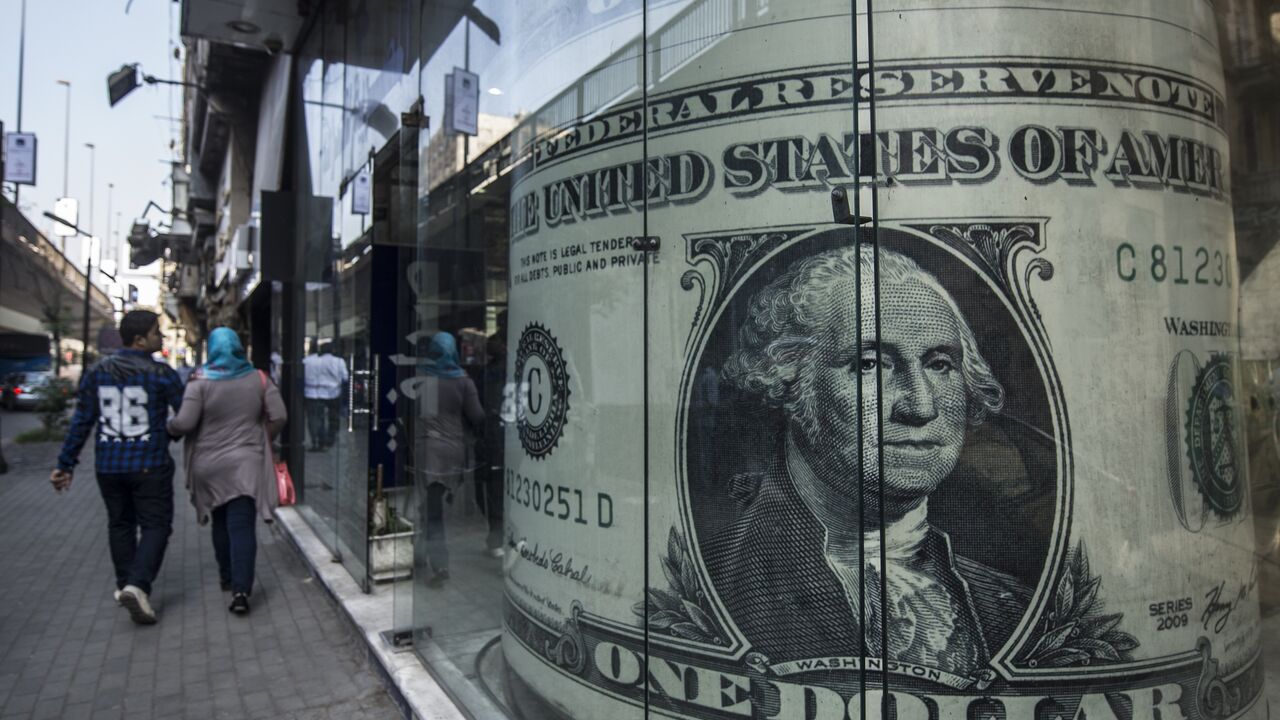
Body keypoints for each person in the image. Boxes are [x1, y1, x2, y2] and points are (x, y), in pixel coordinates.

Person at [703, 244, 1029, 678]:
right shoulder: (713, 586)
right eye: (871, 363)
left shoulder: (1011, 604)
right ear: (788, 380)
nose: (920, 405)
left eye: (939, 364)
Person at [50, 310, 185, 625]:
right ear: (139, 339)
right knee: (156, 525)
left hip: (108, 465)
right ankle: (137, 585)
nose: (161, 338)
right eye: (156, 333)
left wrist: (65, 464)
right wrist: (169, 433)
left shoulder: (97, 372)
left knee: (120, 524)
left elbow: (82, 422)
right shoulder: (161, 374)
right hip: (150, 463)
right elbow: (184, 414)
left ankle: (127, 584)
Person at [167, 328, 287, 615]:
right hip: (246, 462)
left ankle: (226, 575)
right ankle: (242, 590)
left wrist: (168, 428)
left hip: (209, 464)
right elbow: (280, 416)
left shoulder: (200, 382)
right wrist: (262, 435)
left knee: (220, 520)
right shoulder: (259, 379)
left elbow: (184, 423)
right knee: (242, 525)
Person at [414, 331, 484, 585]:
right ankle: (425, 551)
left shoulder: (422, 377)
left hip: (428, 450)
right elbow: (477, 416)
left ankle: (439, 565)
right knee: (435, 505)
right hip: (454, 450)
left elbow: (417, 411)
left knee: (432, 509)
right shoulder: (464, 382)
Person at [302, 341, 347, 450]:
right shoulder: (339, 361)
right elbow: (345, 377)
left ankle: (319, 441)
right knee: (334, 417)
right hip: (334, 393)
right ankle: (330, 438)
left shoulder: (310, 361)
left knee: (317, 418)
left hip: (315, 393)